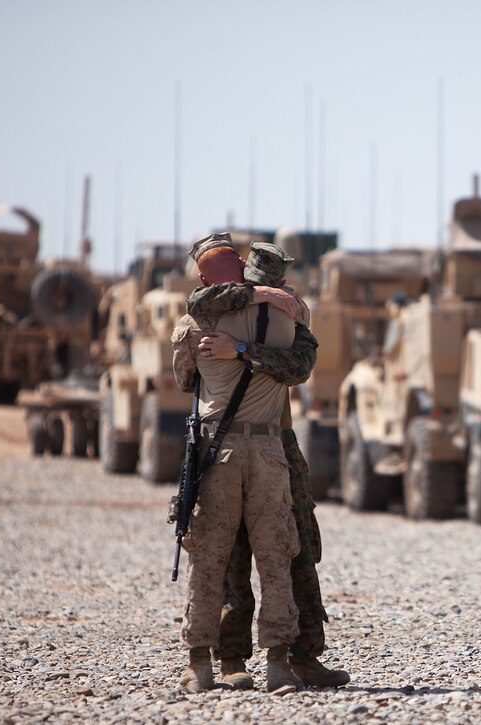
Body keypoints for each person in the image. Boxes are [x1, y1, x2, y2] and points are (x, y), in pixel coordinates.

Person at [186, 240, 350, 689]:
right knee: (232, 555)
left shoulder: (287, 309)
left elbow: (299, 365)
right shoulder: (213, 308)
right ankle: (233, 658)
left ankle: (302, 655)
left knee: (293, 549)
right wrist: (256, 307)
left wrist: (243, 344)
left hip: (278, 443)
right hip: (233, 444)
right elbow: (197, 304)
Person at [170, 234, 303, 694]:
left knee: (208, 559)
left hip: (216, 452)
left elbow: (184, 377)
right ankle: (279, 665)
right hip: (268, 452)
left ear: (205, 277)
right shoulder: (290, 313)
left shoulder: (196, 321)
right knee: (276, 558)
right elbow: (301, 363)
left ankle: (200, 666)